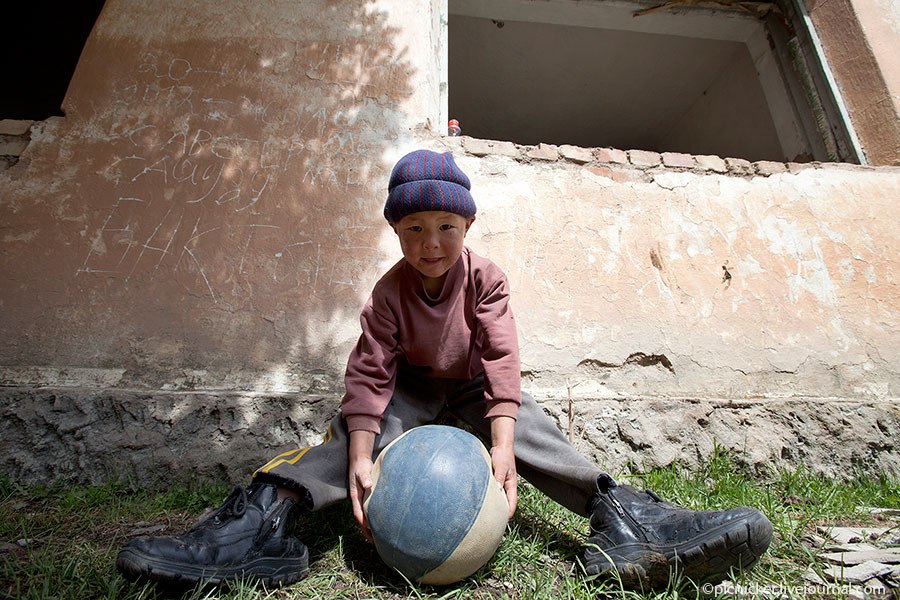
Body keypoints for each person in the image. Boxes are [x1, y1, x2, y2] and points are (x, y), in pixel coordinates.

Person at [116, 149, 773, 591]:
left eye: (446, 228)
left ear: (467, 224)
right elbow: (370, 377)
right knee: (351, 436)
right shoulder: (389, 293)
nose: (430, 245)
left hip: (472, 388)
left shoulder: (486, 279)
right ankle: (262, 525)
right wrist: (365, 455)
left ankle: (624, 521)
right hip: (408, 390)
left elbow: (501, 357)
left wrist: (505, 445)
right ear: (398, 233)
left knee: (535, 430)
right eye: (413, 230)